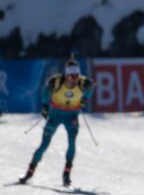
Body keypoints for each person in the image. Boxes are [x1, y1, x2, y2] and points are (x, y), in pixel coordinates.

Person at [18, 59, 95, 187]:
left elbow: (91, 87)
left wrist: (85, 98)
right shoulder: (56, 81)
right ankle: (30, 171)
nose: (74, 80)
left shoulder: (83, 82)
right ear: (66, 75)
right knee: (44, 145)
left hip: (71, 116)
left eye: (76, 76)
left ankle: (66, 174)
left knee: (72, 142)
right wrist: (44, 106)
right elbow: (45, 90)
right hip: (55, 116)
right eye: (71, 76)